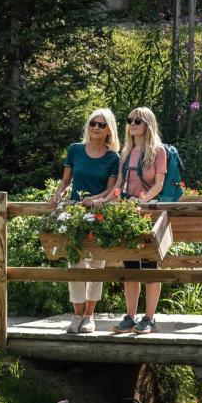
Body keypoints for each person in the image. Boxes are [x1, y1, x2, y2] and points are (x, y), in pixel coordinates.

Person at [94, 107, 166, 334]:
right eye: (130, 120)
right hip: (128, 212)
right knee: (130, 264)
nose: (132, 123)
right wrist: (104, 201)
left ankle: (149, 318)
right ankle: (130, 317)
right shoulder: (126, 151)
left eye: (138, 120)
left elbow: (159, 185)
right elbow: (118, 185)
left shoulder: (158, 150)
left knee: (150, 265)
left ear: (148, 124)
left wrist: (141, 201)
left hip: (148, 212)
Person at [50, 108, 120, 333]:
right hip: (74, 214)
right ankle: (76, 315)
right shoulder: (75, 150)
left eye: (101, 124)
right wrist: (58, 194)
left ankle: (90, 315)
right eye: (93, 123)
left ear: (109, 129)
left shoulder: (113, 157)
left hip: (98, 213)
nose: (96, 128)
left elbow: (110, 190)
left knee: (97, 264)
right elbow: (66, 181)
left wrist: (94, 199)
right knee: (75, 262)